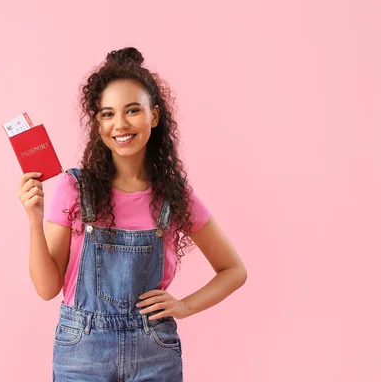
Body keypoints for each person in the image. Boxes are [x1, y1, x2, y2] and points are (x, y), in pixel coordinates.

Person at [17, 47, 247, 381]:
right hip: (82, 349)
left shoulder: (174, 196)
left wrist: (184, 306)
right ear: (98, 123)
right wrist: (33, 219)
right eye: (107, 114)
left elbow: (233, 270)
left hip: (154, 350)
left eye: (132, 110)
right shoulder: (74, 188)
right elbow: (46, 288)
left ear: (154, 116)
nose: (120, 124)